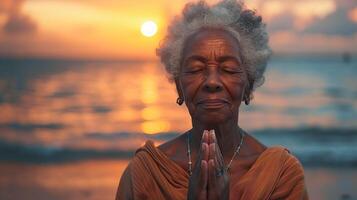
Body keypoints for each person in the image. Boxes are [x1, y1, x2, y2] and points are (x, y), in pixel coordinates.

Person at [116, 0, 309, 199]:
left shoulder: (281, 175)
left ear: (248, 86)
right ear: (178, 87)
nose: (212, 81)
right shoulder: (145, 173)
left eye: (229, 69)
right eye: (196, 69)